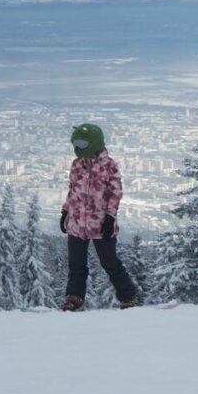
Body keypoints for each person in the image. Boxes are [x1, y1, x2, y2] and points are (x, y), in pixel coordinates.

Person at [59, 123, 138, 311]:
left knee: (110, 262)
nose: (77, 148)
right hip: (77, 222)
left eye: (81, 143)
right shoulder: (77, 165)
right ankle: (75, 297)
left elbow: (115, 192)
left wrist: (110, 217)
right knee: (76, 263)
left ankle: (128, 296)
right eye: (75, 143)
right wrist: (65, 211)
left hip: (100, 224)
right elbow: (73, 191)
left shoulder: (109, 166)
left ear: (93, 143)